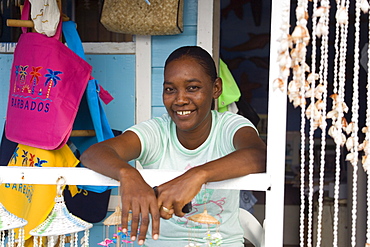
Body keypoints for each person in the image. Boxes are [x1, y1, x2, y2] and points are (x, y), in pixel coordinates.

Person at [80, 46, 266, 246]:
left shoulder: (229, 126)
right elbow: (93, 154)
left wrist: (196, 176)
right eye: (170, 89)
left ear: (216, 88)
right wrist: (128, 174)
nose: (180, 100)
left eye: (192, 88)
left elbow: (259, 156)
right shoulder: (157, 132)